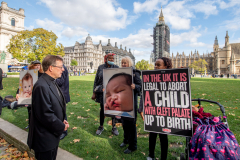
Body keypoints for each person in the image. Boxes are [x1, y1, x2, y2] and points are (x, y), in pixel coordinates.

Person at [27, 55, 69, 160]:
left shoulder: (51, 81)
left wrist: (62, 120)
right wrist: (61, 126)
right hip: (44, 140)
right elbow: (45, 114)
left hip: (51, 136)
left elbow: (55, 106)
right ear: (51, 68)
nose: (63, 69)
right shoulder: (41, 85)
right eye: (60, 67)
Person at [139, 57, 172, 160]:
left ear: (166, 66)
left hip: (165, 112)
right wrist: (141, 109)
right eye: (155, 64)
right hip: (152, 111)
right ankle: (151, 155)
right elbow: (144, 94)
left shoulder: (172, 78)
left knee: (163, 136)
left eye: (158, 65)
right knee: (152, 134)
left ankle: (163, 157)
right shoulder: (149, 78)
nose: (155, 66)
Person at [91, 53, 119, 136]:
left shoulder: (116, 68)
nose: (112, 60)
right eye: (110, 59)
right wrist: (94, 92)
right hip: (102, 92)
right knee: (102, 109)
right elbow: (96, 80)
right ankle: (101, 126)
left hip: (112, 93)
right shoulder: (101, 67)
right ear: (106, 59)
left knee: (113, 109)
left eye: (113, 59)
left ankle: (114, 127)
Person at [120, 56, 142, 154]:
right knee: (124, 123)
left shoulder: (135, 73)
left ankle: (133, 146)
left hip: (131, 103)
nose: (124, 64)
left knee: (131, 125)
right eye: (122, 63)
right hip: (122, 102)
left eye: (125, 63)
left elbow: (141, 86)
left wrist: (135, 86)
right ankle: (126, 140)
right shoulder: (120, 73)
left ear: (130, 63)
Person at [55, 61, 70, 140]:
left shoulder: (62, 68)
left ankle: (64, 131)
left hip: (61, 94)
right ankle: (60, 129)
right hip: (60, 94)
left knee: (62, 114)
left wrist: (51, 79)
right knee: (59, 112)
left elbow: (60, 81)